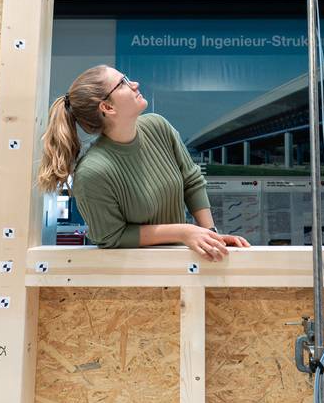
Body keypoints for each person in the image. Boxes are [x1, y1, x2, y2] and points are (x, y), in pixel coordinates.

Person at [38, 64, 250, 261]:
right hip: (134, 275)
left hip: (182, 263)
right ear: (107, 107)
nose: (135, 84)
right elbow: (111, 236)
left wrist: (211, 236)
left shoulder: (158, 126)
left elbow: (191, 182)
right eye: (123, 83)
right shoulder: (93, 172)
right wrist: (183, 232)